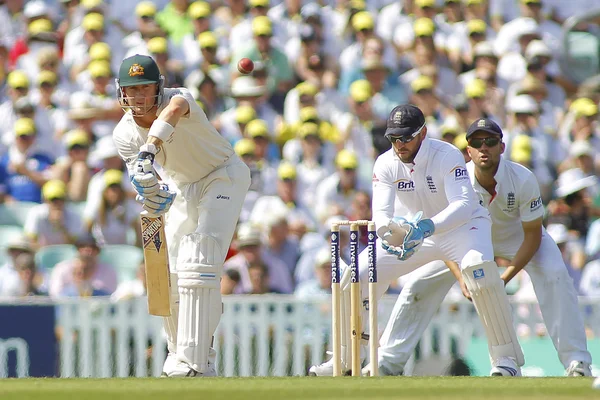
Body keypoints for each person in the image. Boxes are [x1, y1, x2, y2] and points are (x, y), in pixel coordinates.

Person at [309, 106, 524, 377]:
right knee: (356, 274)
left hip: (464, 228)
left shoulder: (445, 154)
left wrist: (428, 226)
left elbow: (464, 203)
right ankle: (346, 358)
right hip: (413, 231)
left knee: (478, 269)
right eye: (394, 138)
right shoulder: (385, 163)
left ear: (422, 133)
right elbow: (382, 216)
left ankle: (505, 360)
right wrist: (391, 234)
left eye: (406, 138)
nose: (399, 144)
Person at [371, 118, 592, 377]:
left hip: (517, 238)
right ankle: (388, 362)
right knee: (419, 284)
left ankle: (577, 362)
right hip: (467, 241)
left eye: (490, 141)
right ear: (469, 150)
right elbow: (444, 236)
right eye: (477, 142)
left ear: (502, 146)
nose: (483, 147)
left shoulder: (522, 178)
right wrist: (461, 276)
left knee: (555, 275)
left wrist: (505, 277)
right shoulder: (454, 176)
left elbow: (533, 235)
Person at [112, 54, 251, 377]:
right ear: (122, 93)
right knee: (169, 270)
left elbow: (173, 112)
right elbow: (143, 176)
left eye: (145, 88)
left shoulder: (180, 99)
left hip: (223, 174)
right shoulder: (123, 134)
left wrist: (150, 147)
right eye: (132, 90)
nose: (139, 97)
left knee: (199, 255)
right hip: (183, 186)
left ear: (158, 87)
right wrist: (150, 189)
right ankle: (180, 355)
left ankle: (195, 360)